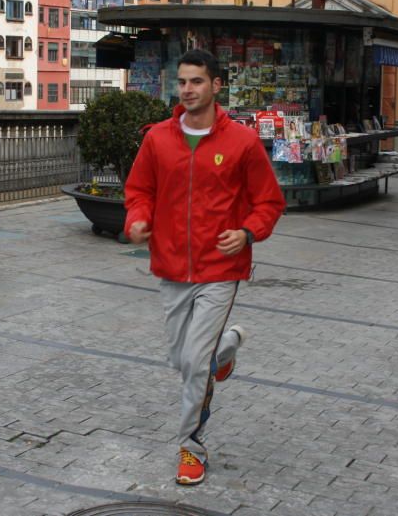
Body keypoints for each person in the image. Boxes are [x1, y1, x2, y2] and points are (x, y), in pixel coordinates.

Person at [124, 48, 286, 486]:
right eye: (182, 82)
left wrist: (248, 232)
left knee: (194, 364)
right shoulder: (157, 138)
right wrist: (137, 219)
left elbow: (270, 201)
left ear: (216, 86)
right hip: (171, 265)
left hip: (221, 267)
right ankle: (225, 351)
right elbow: (139, 190)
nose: (188, 89)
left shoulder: (243, 142)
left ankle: (191, 448)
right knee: (182, 359)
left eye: (197, 81)